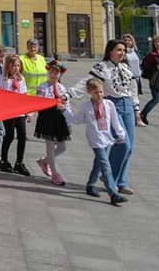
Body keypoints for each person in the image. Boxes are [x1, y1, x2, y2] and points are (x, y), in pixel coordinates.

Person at [68, 39, 138, 195]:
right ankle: (109, 178)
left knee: (129, 147)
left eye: (124, 50)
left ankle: (121, 181)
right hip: (112, 105)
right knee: (123, 143)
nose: (122, 53)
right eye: (119, 50)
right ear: (110, 51)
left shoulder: (125, 68)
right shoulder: (102, 67)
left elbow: (133, 88)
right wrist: (69, 94)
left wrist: (136, 108)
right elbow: (86, 82)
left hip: (128, 105)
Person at [64, 79, 128, 206]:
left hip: (107, 138)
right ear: (89, 93)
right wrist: (64, 110)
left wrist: (121, 133)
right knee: (105, 164)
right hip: (96, 140)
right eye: (95, 93)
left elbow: (115, 121)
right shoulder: (86, 107)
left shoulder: (109, 104)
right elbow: (76, 120)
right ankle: (112, 193)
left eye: (101, 92)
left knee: (98, 163)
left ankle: (91, 184)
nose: (99, 95)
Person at [34, 61, 71, 186]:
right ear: (48, 72)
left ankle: (44, 161)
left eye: (57, 73)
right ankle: (55, 173)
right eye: (52, 72)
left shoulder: (62, 88)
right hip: (47, 118)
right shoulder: (43, 86)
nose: (54, 75)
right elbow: (38, 103)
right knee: (49, 146)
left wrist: (69, 121)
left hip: (60, 118)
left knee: (62, 147)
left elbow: (68, 104)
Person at [0, 54, 30, 175]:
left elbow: (24, 95)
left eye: (17, 65)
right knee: (9, 135)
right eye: (13, 65)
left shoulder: (21, 79)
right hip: (9, 112)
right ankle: (3, 160)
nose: (16, 68)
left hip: (20, 112)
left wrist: (28, 112)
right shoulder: (4, 79)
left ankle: (19, 163)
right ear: (8, 66)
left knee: (22, 136)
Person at [122, 34, 145, 126]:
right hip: (129, 78)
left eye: (129, 40)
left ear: (132, 42)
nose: (127, 42)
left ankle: (134, 118)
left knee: (136, 97)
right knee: (133, 98)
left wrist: (141, 71)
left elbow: (140, 63)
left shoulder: (135, 52)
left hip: (137, 78)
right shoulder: (123, 53)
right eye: (125, 40)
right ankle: (137, 119)